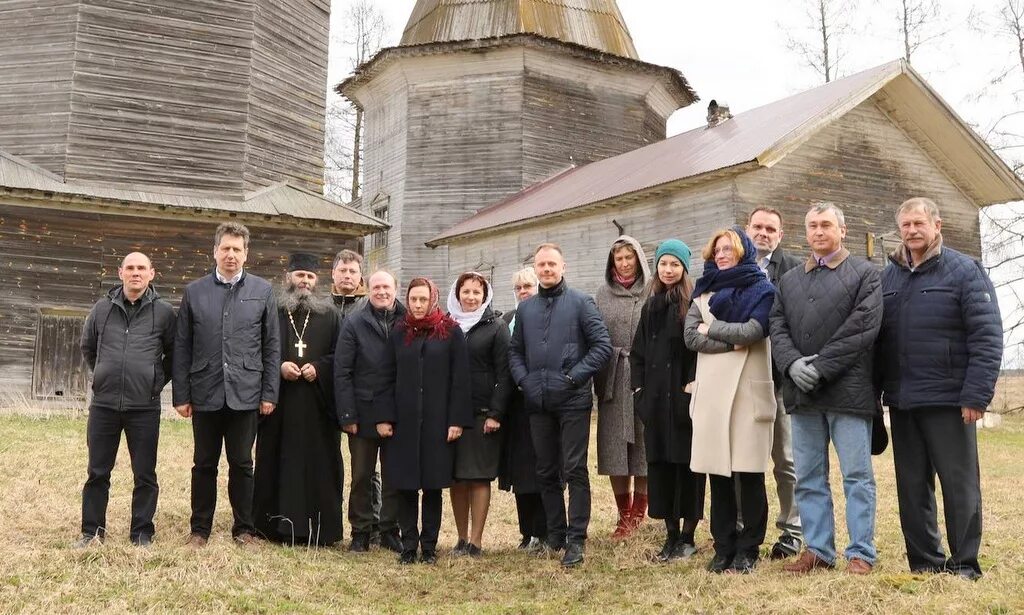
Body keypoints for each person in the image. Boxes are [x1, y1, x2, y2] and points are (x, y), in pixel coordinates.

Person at [876, 197, 1002, 581]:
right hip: (902, 400)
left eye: (919, 223)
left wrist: (976, 395)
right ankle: (924, 561)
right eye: (905, 225)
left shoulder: (965, 271)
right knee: (912, 486)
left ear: (937, 225)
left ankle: (965, 563)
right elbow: (878, 339)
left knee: (959, 483)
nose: (912, 231)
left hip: (950, 399)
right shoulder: (888, 277)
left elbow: (987, 336)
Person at [769, 203, 882, 575]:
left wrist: (819, 366)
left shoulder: (866, 274)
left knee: (856, 476)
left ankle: (860, 553)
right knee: (809, 476)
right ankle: (818, 550)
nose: (819, 231)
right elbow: (777, 325)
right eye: (813, 225)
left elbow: (862, 328)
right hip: (803, 394)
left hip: (848, 392)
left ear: (843, 230)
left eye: (826, 225)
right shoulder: (790, 280)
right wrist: (790, 364)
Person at [172, 222, 281, 547]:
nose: (231, 255)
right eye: (225, 248)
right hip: (205, 392)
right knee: (204, 464)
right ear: (215, 251)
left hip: (246, 394)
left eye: (237, 249)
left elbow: (271, 345)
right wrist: (181, 394)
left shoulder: (262, 291)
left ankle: (243, 528)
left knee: (242, 463)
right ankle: (200, 530)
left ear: (246, 254)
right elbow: (182, 346)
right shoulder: (195, 292)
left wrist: (268, 393)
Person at [509, 243, 612, 567]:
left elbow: (601, 346)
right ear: (536, 268)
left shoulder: (581, 303)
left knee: (574, 469)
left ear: (563, 266)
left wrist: (573, 379)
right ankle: (556, 533)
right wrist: (524, 380)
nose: (547, 269)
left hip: (572, 401)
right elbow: (515, 351)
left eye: (552, 264)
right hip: (537, 401)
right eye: (541, 265)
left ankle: (576, 539)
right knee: (545, 470)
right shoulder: (526, 309)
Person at [684, 227, 777, 574]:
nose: (721, 254)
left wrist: (715, 330)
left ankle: (749, 548)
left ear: (743, 252)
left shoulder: (763, 290)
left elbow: (753, 331)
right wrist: (730, 341)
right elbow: (691, 336)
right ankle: (723, 546)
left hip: (747, 394)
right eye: (717, 250)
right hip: (711, 396)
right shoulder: (702, 293)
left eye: (728, 249)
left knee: (748, 474)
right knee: (718, 474)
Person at [76, 252, 175, 548]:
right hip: (104, 405)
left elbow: (174, 355)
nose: (135, 273)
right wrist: (106, 375)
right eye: (130, 268)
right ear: (120, 273)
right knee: (97, 472)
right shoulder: (102, 308)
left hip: (144, 406)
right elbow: (88, 347)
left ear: (152, 273)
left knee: (145, 473)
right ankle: (92, 532)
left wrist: (154, 381)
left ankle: (142, 532)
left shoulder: (165, 313)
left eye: (141, 268)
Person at [374, 278, 473, 564]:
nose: (417, 305)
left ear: (433, 299)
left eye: (423, 299)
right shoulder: (398, 332)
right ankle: (408, 546)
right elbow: (384, 377)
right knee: (405, 486)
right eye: (413, 299)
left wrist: (456, 420)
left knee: (432, 486)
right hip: (403, 424)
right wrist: (383, 417)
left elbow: (460, 381)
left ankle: (428, 547)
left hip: (437, 422)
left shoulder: (450, 332)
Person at [253, 254, 344, 546]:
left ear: (317, 281)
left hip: (317, 407)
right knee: (276, 459)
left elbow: (340, 357)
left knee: (318, 463)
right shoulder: (273, 311)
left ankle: (320, 529)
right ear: (287, 276)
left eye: (309, 276)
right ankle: (272, 527)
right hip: (279, 402)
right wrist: (279, 366)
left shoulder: (331, 315)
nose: (304, 280)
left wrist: (319, 368)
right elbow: (259, 348)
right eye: (299, 274)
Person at [630, 239, 706, 562]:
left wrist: (692, 386)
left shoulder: (693, 304)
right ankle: (671, 535)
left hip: (684, 403)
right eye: (664, 264)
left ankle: (688, 537)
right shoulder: (650, 306)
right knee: (660, 469)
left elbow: (698, 351)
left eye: (675, 264)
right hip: (656, 405)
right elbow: (638, 354)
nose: (669, 269)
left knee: (688, 469)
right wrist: (639, 392)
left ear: (684, 268)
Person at [745, 207, 803, 559]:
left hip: (780, 380)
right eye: (758, 227)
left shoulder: (793, 269)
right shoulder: (733, 267)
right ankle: (743, 525)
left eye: (770, 228)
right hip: (744, 378)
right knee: (744, 458)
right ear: (747, 229)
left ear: (780, 235)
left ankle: (792, 530)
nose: (763, 233)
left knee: (786, 459)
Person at [335, 270, 405, 553]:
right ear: (368, 289)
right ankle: (361, 531)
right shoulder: (354, 322)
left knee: (394, 475)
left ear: (395, 289)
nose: (381, 292)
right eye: (376, 287)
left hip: (399, 412)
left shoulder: (407, 320)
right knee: (362, 475)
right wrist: (348, 416)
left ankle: (389, 529)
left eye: (386, 287)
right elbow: (342, 372)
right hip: (362, 412)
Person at [446, 271, 511, 556]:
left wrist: (496, 413)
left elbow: (505, 373)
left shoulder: (495, 327)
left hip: (482, 413)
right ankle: (460, 538)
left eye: (476, 292)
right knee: (456, 478)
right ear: (457, 294)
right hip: (450, 415)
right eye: (466, 292)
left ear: (485, 297)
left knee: (478, 477)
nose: (471, 297)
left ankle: (476, 541)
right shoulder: (446, 325)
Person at [595, 236, 650, 539]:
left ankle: (640, 510)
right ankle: (623, 512)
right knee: (615, 446)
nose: (625, 263)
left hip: (644, 376)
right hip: (613, 377)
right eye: (619, 258)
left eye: (630, 257)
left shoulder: (651, 291)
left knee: (643, 444)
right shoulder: (603, 294)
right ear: (612, 262)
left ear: (639, 259)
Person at [498, 268, 548, 551]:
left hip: (540, 400)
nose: (523, 291)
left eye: (528, 285)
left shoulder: (546, 316)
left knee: (541, 468)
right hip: (515, 405)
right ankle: (526, 531)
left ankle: (544, 530)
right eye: (518, 287)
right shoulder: (507, 320)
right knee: (520, 471)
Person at [331, 249, 368, 321]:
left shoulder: (369, 307)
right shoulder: (323, 307)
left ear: (360, 276)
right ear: (333, 273)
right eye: (342, 270)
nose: (347, 276)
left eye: (352, 271)